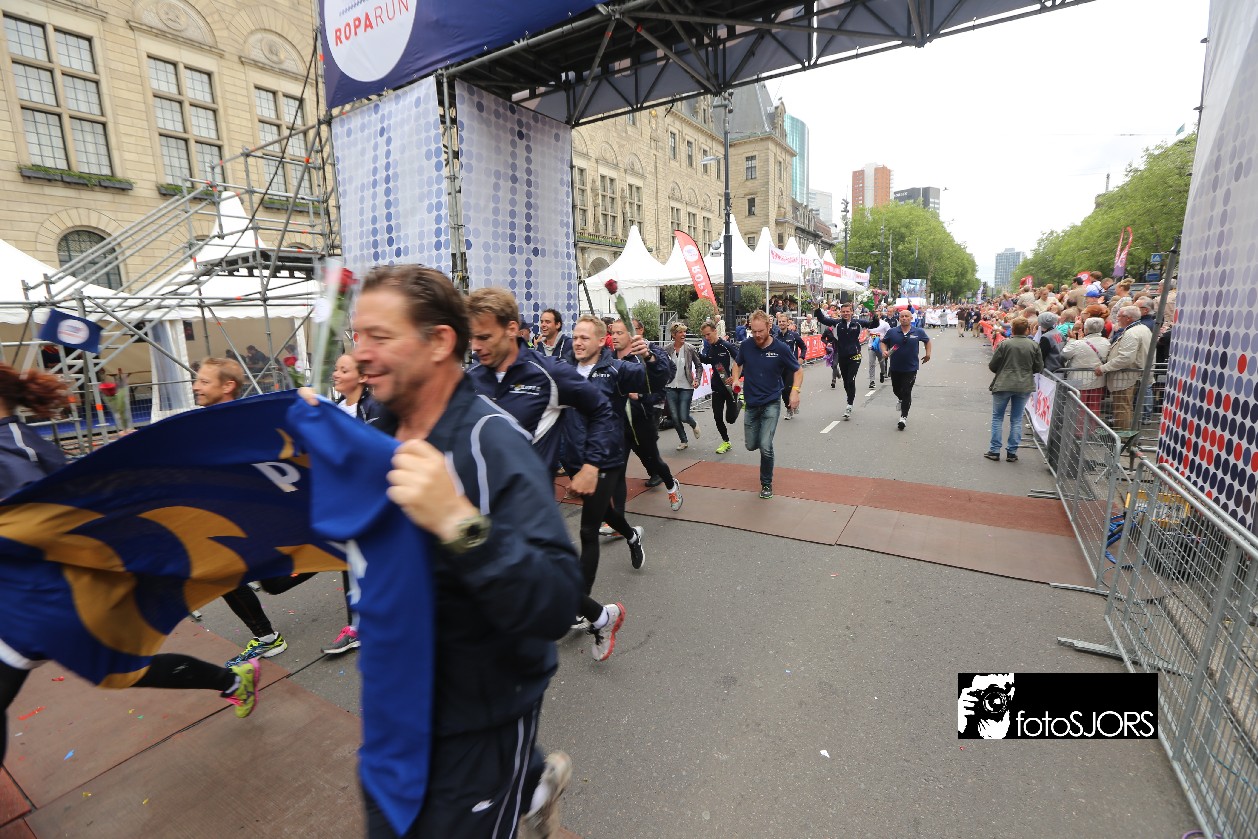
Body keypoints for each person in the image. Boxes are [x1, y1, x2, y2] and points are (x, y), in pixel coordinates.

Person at [335, 266, 582, 839]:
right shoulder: (375, 432)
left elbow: (556, 598)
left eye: (380, 336)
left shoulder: (491, 441)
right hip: (391, 717)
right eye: (357, 336)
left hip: (478, 730)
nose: (361, 353)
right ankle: (535, 782)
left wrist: (459, 523)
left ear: (439, 341)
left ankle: (528, 781)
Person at [1, 364, 260, 768]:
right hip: (26, 595)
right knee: (122, 670)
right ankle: (231, 679)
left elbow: (44, 522)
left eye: (203, 380)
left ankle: (238, 670)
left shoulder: (12, 445)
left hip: (47, 597)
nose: (196, 386)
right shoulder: (14, 442)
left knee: (122, 670)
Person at [464, 288, 635, 664]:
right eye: (472, 337)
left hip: (529, 508)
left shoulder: (548, 374)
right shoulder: (471, 379)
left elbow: (602, 411)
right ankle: (601, 617)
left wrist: (591, 465)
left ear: (512, 329)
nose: (475, 346)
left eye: (484, 336)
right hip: (481, 506)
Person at [562, 315, 673, 613]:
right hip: (575, 460)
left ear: (602, 341)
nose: (578, 342)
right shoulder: (564, 369)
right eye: (575, 337)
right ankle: (632, 535)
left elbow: (657, 380)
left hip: (606, 458)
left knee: (588, 530)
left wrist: (650, 356)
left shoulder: (616, 369)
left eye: (585, 337)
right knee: (606, 511)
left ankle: (583, 610)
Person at [192, 358, 292, 666]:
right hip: (226, 516)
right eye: (197, 380)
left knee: (226, 577)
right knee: (267, 582)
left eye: (204, 381)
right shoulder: (202, 423)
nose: (196, 386)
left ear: (228, 386)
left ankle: (267, 637)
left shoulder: (242, 421)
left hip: (254, 515)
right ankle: (267, 636)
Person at [321, 354, 387, 656]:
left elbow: (379, 455)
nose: (336, 374)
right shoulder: (333, 411)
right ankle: (357, 627)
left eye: (343, 369)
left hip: (377, 501)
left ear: (362, 377)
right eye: (335, 369)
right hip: (348, 502)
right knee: (351, 563)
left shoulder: (376, 408)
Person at [730, 311, 802, 499]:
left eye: (760, 331)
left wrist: (795, 391)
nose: (757, 335)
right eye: (754, 331)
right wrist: (736, 379)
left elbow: (798, 370)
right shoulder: (746, 346)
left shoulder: (781, 348)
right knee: (750, 445)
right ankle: (759, 445)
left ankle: (766, 483)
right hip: (751, 403)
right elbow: (737, 364)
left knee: (765, 445)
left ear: (769, 327)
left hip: (771, 402)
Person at [609, 319, 683, 501]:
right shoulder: (608, 358)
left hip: (643, 419)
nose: (615, 337)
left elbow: (663, 379)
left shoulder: (645, 354)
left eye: (619, 333)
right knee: (617, 471)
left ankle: (671, 484)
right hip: (619, 423)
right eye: (613, 333)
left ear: (632, 334)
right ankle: (616, 515)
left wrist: (641, 396)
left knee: (653, 459)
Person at [984, 317, 1043, 463]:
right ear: (1027, 330)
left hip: (1004, 383)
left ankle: (994, 450)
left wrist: (1003, 370)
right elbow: (1038, 367)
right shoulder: (1034, 345)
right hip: (1024, 384)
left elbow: (993, 365)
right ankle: (1012, 451)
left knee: (997, 417)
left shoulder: (1005, 344)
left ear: (1013, 329)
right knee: (1016, 419)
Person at [814, 301, 878, 421]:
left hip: (855, 356)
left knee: (850, 380)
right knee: (845, 382)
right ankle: (850, 397)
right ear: (840, 312)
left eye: (848, 311)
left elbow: (874, 324)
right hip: (842, 356)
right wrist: (817, 308)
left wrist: (874, 313)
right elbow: (822, 319)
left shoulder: (858, 323)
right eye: (843, 312)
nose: (845, 313)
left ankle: (849, 404)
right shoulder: (837, 323)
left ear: (852, 312)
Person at [1094, 306, 1152, 431]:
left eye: (1119, 316)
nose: (1117, 318)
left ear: (1128, 318)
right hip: (1133, 375)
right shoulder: (1142, 329)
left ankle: (1123, 437)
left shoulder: (1132, 333)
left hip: (1126, 377)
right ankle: (1125, 436)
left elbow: (1125, 358)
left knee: (1122, 408)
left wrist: (1104, 368)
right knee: (1126, 407)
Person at [881, 309, 931, 431]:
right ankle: (901, 399)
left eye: (906, 316)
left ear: (911, 318)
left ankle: (903, 417)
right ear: (899, 318)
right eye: (902, 316)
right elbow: (883, 342)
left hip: (911, 367)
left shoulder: (918, 331)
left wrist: (928, 354)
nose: (904, 318)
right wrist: (884, 351)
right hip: (895, 367)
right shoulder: (892, 332)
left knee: (907, 390)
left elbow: (927, 341)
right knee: (896, 390)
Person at [698, 320, 740, 453]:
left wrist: (735, 377)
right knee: (717, 417)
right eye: (704, 335)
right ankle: (726, 441)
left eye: (708, 334)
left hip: (729, 388)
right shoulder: (710, 348)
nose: (707, 337)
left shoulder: (727, 346)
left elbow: (742, 361)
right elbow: (709, 360)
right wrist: (695, 354)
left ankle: (740, 403)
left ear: (715, 331)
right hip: (716, 387)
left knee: (730, 419)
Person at [1062, 317, 1111, 417]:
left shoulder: (1077, 343)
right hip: (1098, 380)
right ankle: (1091, 426)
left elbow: (1064, 354)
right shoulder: (1107, 343)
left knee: (1078, 408)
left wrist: (1072, 340)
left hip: (1078, 381)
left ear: (1086, 329)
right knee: (1094, 407)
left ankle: (1078, 427)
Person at [664, 322, 702, 449]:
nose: (683, 334)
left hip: (686, 386)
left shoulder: (690, 348)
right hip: (670, 386)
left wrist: (697, 379)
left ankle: (694, 424)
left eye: (684, 332)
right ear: (674, 335)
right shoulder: (666, 349)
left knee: (684, 416)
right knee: (675, 417)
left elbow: (699, 366)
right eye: (680, 332)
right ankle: (683, 440)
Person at [773, 313, 806, 418]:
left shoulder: (794, 335)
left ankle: (794, 402)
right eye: (780, 322)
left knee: (788, 388)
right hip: (779, 367)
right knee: (782, 390)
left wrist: (801, 358)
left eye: (783, 321)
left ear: (788, 323)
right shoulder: (775, 337)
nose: (781, 323)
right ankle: (789, 408)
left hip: (791, 366)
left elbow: (803, 347)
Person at [867, 309, 892, 388]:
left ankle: (882, 373)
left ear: (880, 315)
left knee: (882, 363)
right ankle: (872, 381)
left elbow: (889, 333)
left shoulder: (884, 324)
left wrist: (882, 338)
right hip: (871, 346)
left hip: (881, 345)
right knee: (871, 363)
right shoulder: (869, 324)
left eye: (877, 315)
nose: (875, 317)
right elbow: (867, 333)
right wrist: (869, 336)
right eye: (874, 315)